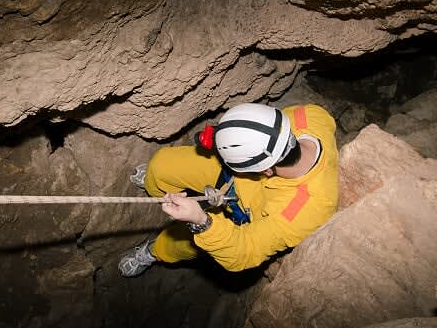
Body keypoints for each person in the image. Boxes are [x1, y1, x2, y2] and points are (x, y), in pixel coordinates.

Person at [118, 102, 339, 277]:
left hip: (242, 216)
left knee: (183, 241)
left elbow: (245, 251)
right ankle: (153, 186)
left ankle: (155, 252)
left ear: (267, 171)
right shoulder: (307, 115)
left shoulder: (307, 210)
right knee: (162, 165)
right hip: (232, 174)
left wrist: (202, 222)